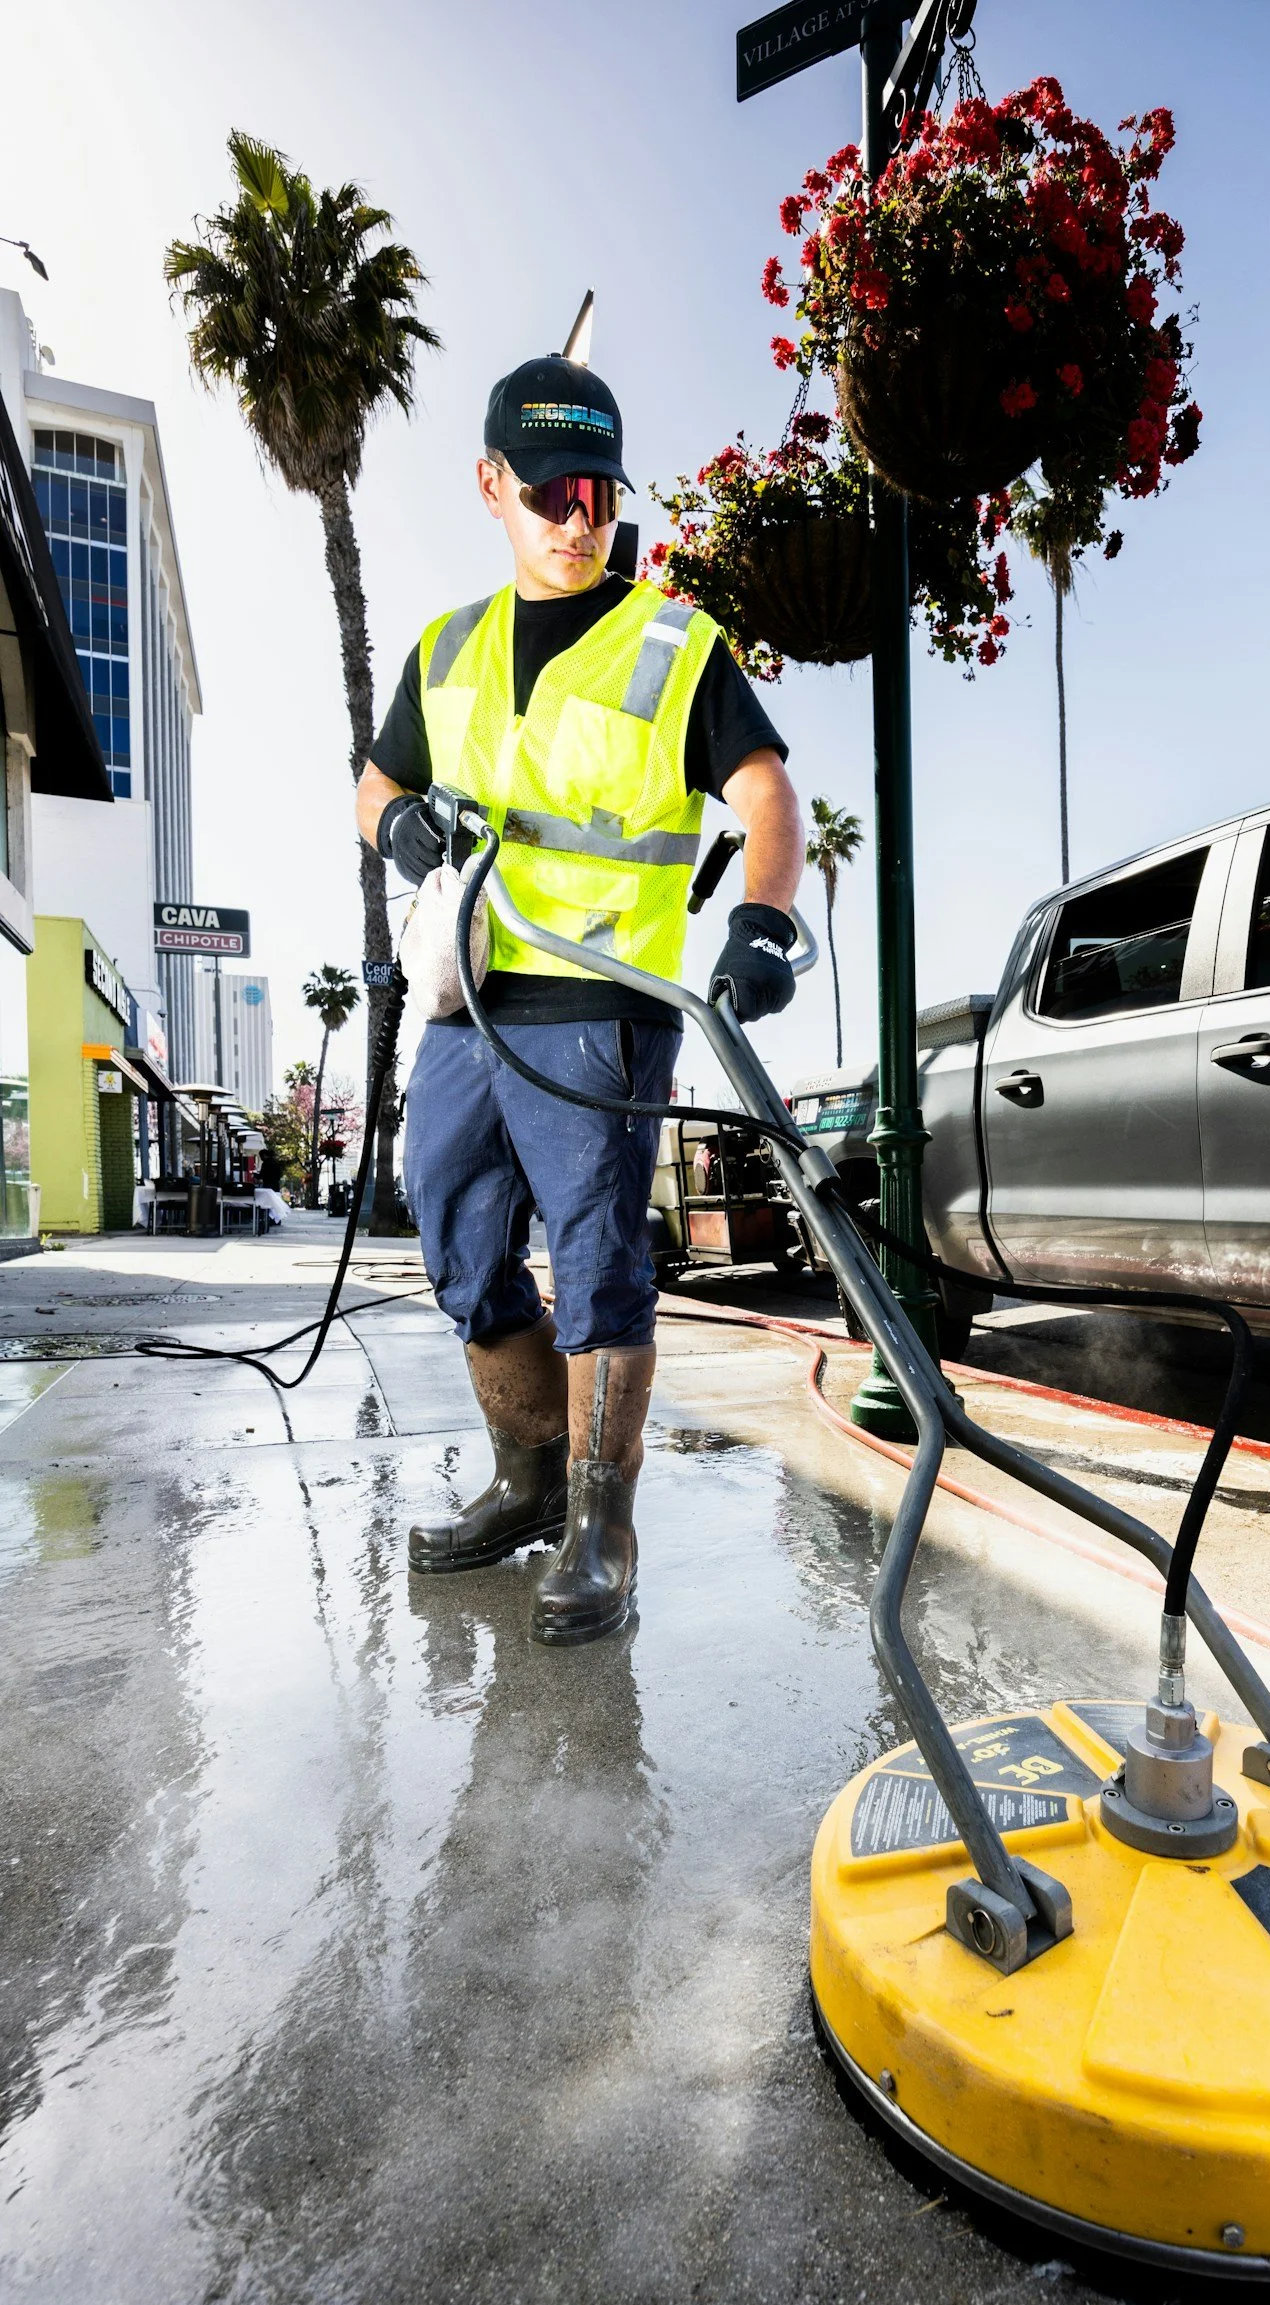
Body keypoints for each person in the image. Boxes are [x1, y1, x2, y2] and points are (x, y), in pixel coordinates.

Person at [356, 354, 804, 1644]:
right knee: (460, 1254)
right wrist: (399, 833)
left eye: (598, 490)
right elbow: (375, 788)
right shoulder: (446, 649)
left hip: (600, 1008)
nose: (577, 517)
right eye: (549, 491)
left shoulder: (675, 645)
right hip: (465, 1006)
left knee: (601, 1269)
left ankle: (603, 1522)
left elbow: (766, 793)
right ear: (492, 486)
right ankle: (526, 1484)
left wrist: (764, 920)